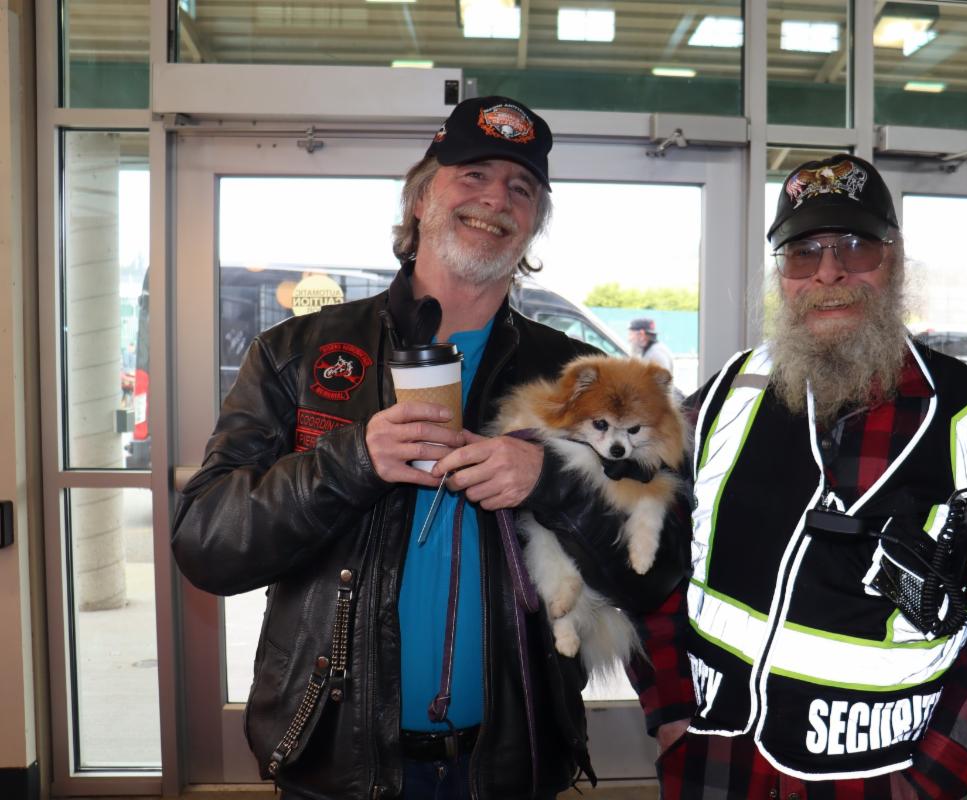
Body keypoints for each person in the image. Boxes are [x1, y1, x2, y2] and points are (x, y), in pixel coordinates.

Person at [172, 96, 686, 800]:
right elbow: (206, 542)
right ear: (419, 199)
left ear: (533, 224)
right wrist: (352, 462)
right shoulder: (299, 352)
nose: (496, 198)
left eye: (522, 188)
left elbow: (656, 574)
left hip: (510, 765)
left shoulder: (573, 378)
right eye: (473, 175)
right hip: (336, 761)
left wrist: (553, 484)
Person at [629, 154, 967, 799]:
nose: (828, 272)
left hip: (876, 779)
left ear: (895, 261)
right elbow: (648, 558)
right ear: (781, 275)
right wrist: (669, 711)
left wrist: (929, 781)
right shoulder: (724, 398)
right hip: (714, 764)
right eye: (802, 253)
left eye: (856, 246)